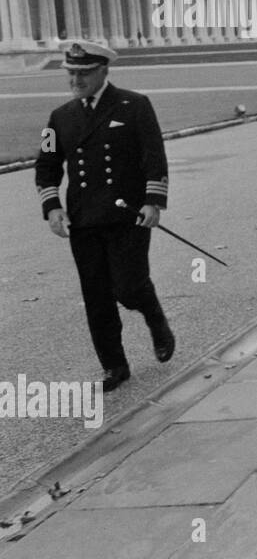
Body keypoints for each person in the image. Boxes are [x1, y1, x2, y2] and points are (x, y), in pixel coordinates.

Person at [34, 41, 176, 392]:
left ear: (103, 71)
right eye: (71, 73)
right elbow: (46, 166)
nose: (76, 80)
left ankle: (155, 318)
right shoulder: (60, 117)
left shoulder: (134, 105)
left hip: (127, 216)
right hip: (83, 221)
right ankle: (114, 365)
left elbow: (153, 157)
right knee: (96, 296)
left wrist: (152, 202)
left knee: (129, 288)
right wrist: (53, 208)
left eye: (84, 73)